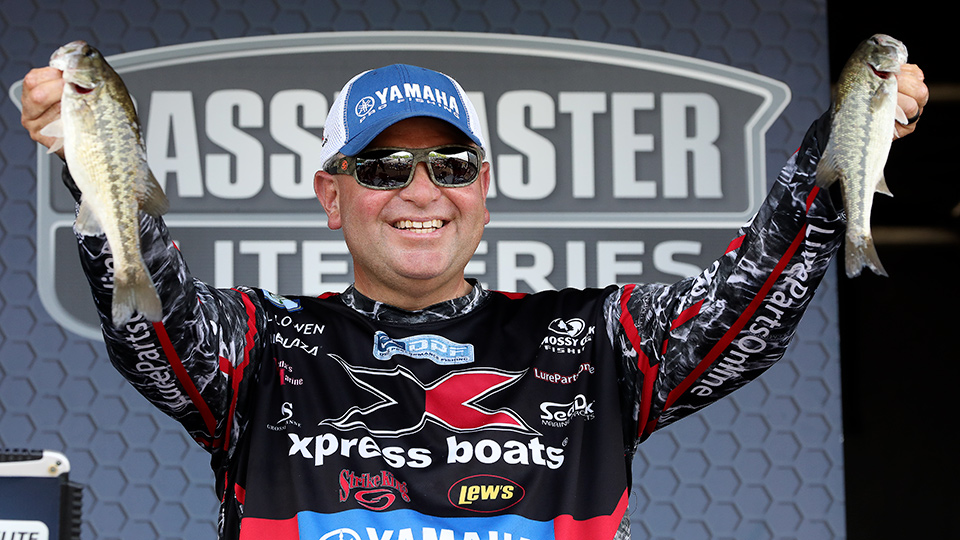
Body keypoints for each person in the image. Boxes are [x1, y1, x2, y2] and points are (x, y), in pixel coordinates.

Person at [21, 60, 927, 540]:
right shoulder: (262, 348)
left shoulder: (596, 339)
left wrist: (845, 144)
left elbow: (747, 305)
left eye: (450, 165)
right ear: (331, 195)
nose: (422, 191)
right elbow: (152, 319)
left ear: (483, 189)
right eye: (384, 167)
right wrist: (86, 155)